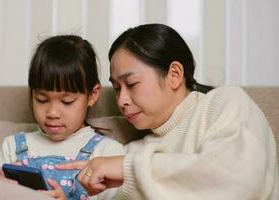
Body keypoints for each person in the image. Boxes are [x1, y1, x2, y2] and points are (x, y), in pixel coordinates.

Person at [57, 24, 279, 199]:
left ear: (174, 74)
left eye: (132, 84)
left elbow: (240, 180)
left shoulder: (225, 103)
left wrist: (126, 169)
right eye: (116, 89)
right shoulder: (135, 151)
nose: (122, 100)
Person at [0, 35, 124, 200]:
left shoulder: (108, 153)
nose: (52, 113)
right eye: (42, 100)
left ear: (92, 95)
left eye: (67, 102)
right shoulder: (12, 147)